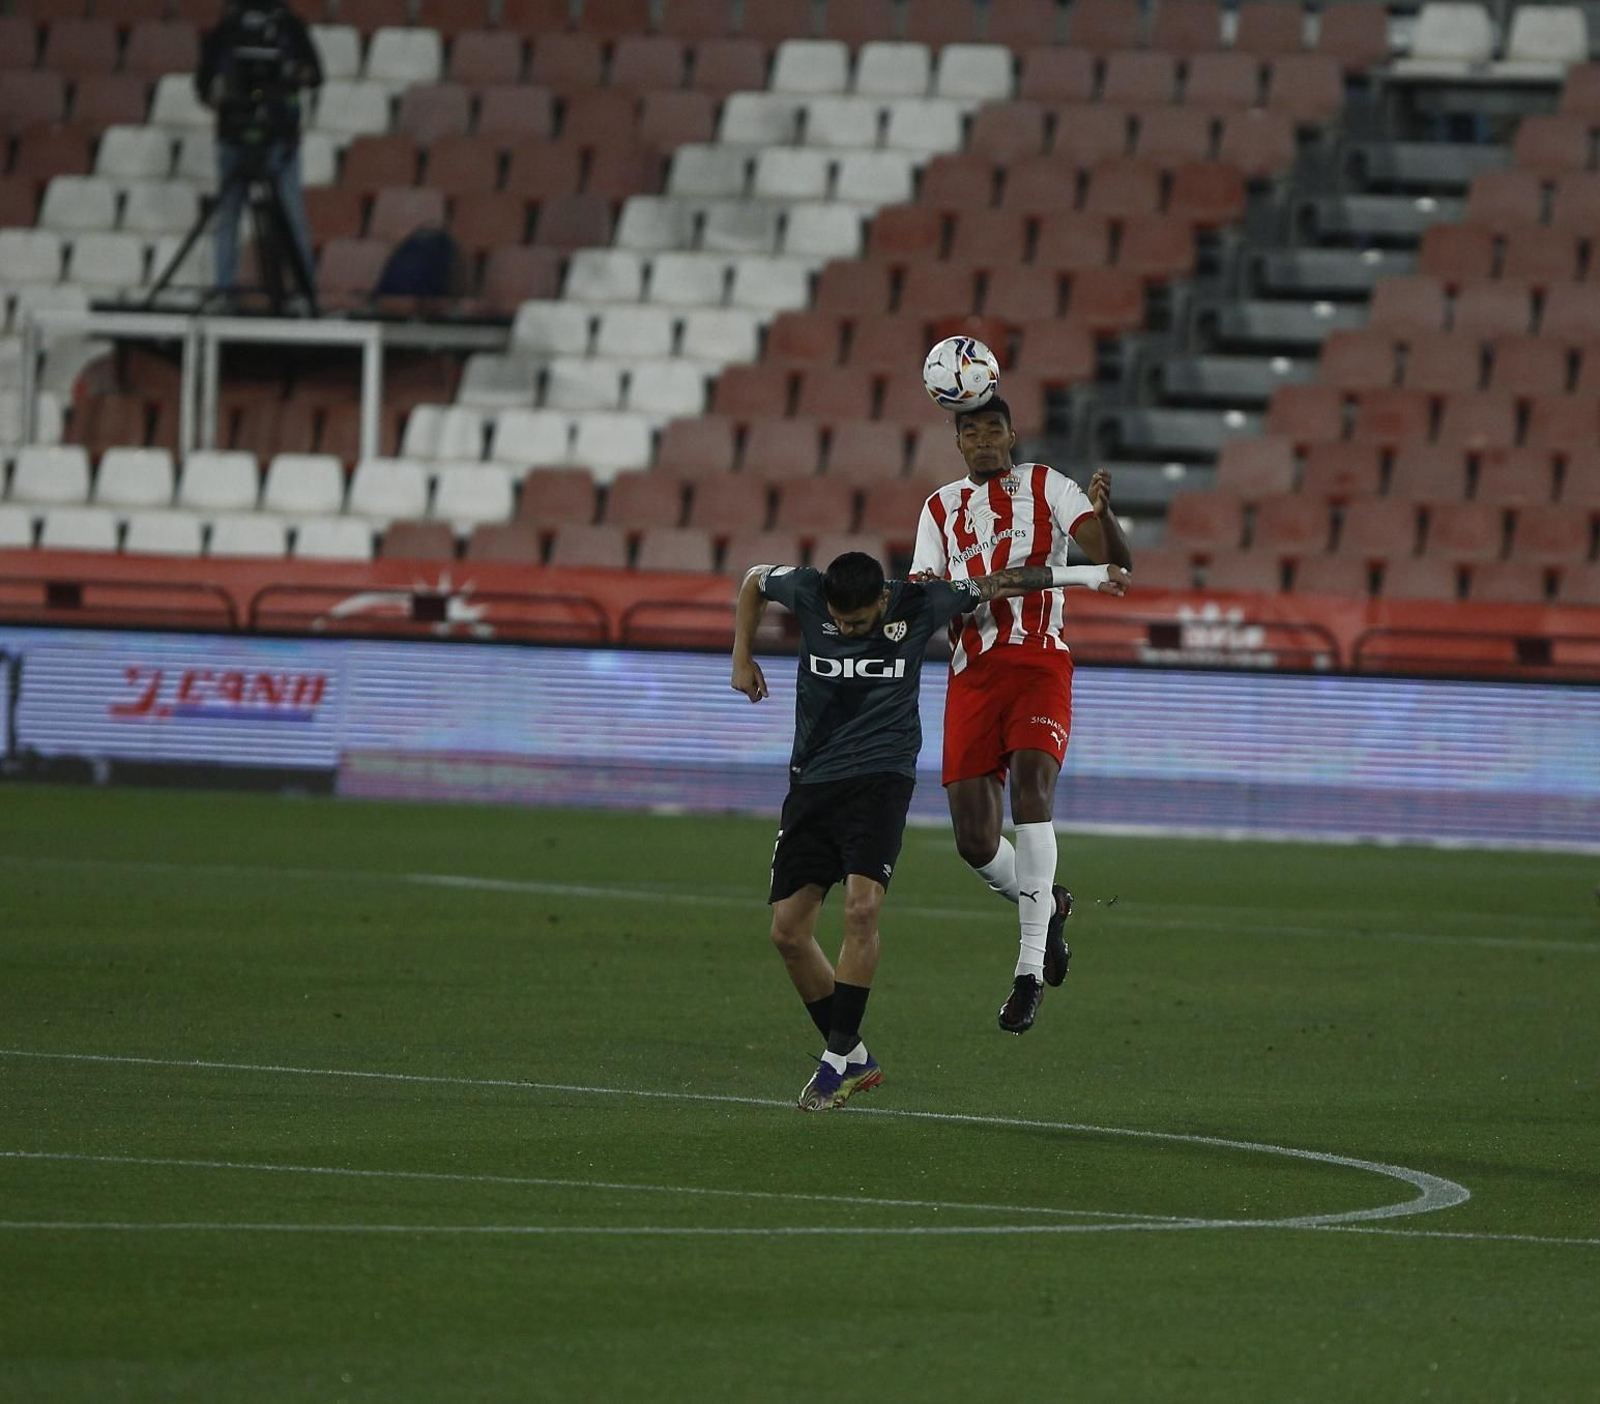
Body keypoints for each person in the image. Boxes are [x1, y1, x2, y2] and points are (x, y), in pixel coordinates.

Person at [731, 549, 1129, 1111]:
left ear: (882, 599)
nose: (848, 631)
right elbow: (753, 579)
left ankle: (836, 1060)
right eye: (839, 622)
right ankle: (853, 1055)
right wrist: (741, 657)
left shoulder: (920, 603)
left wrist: (1088, 575)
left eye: (858, 622)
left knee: (861, 910)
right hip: (812, 783)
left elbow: (1005, 581)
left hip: (881, 781)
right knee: (788, 932)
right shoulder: (806, 589)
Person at [910, 397, 1134, 1036]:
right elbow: (925, 593)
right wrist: (942, 598)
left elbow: (1111, 560)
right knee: (975, 841)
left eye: (994, 429)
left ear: (1012, 435)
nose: (983, 439)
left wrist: (1106, 517)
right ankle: (1051, 905)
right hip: (971, 676)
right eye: (971, 431)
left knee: (1033, 795)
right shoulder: (938, 509)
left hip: (1039, 663)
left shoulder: (1047, 485)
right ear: (958, 442)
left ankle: (1028, 973)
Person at [195, 0, 322, 302]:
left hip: (278, 138)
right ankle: (225, 292)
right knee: (230, 215)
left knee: (290, 215)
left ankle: (304, 293)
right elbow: (203, 85)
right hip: (235, 137)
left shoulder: (287, 25)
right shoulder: (229, 28)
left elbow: (315, 74)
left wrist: (289, 76)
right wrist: (224, 96)